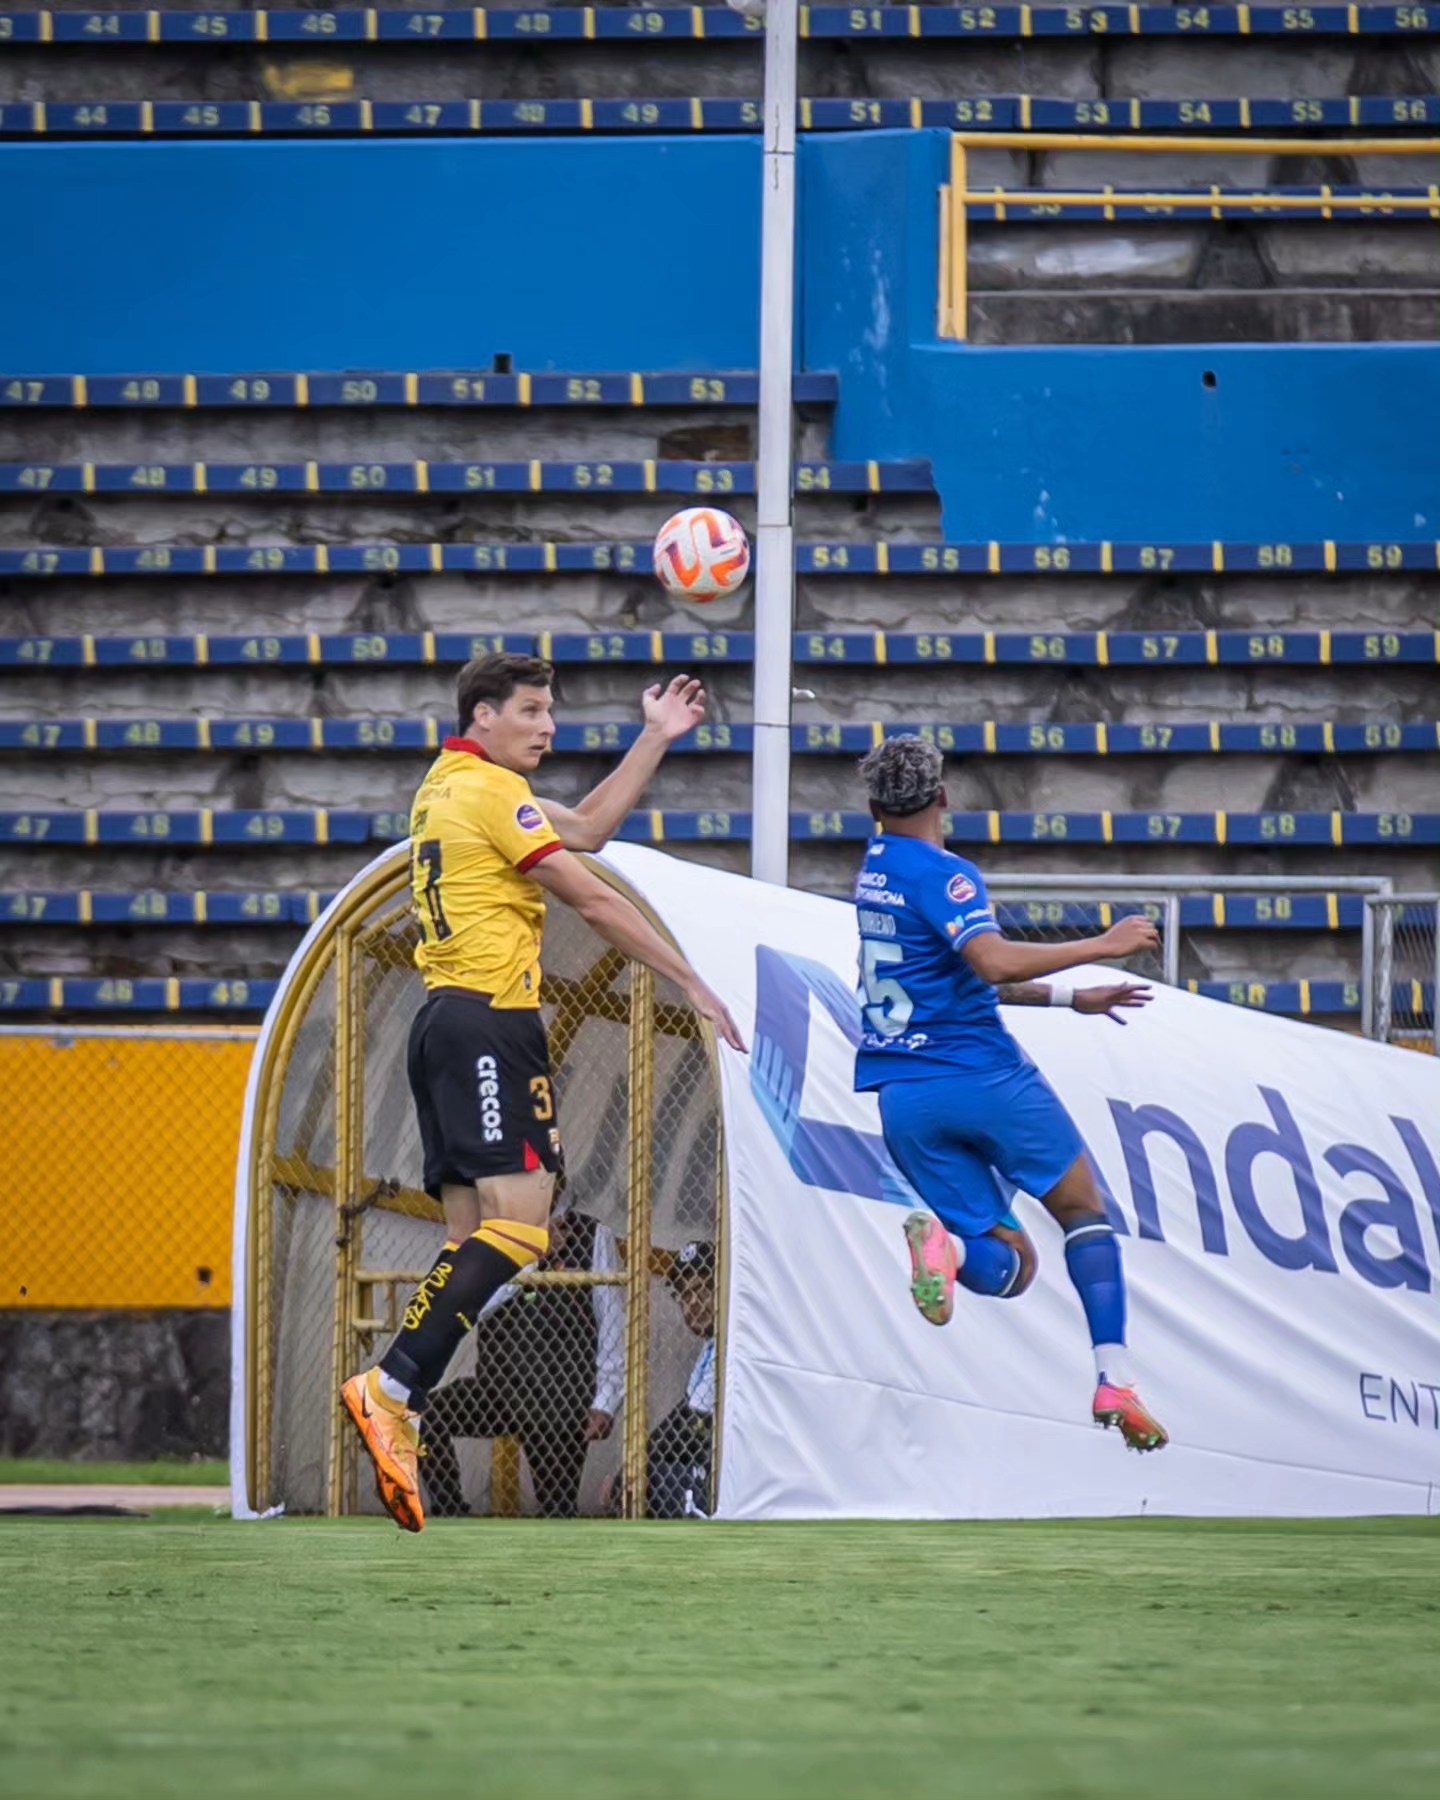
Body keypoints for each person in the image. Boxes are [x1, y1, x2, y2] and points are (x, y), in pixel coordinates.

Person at [341, 652, 746, 1532]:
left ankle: (397, 1395)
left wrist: (654, 738)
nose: (547, 725)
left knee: (469, 1243)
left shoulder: (447, 787)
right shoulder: (490, 794)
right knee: (523, 1226)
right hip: (491, 1023)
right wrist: (693, 982)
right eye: (530, 710)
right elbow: (591, 896)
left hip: (442, 1023)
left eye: (550, 710)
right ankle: (392, 1386)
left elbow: (590, 829)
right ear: (482, 716)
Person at [852, 735, 1169, 1452]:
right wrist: (1102, 942)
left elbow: (947, 978)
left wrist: (1066, 998)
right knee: (1084, 1211)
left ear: (874, 809)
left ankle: (949, 1255)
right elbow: (989, 961)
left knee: (1011, 1262)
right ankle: (1113, 1377)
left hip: (903, 1095)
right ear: (943, 799)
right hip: (983, 1078)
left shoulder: (874, 870)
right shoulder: (948, 874)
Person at [418, 1202, 624, 1519]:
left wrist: (606, 1400)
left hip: (560, 1398)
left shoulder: (594, 1235)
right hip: (500, 1389)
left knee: (557, 1511)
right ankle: (451, 1515)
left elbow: (611, 1321)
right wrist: (530, 1258)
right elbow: (469, 1308)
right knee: (422, 1416)